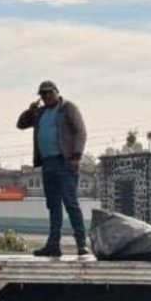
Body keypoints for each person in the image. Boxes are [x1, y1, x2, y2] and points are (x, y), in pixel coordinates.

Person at [17, 80, 89, 257]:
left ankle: (81, 243)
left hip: (65, 162)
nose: (46, 96)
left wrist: (76, 156)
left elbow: (81, 132)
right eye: (42, 94)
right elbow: (20, 124)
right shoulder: (40, 113)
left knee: (71, 203)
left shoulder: (68, 108)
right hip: (47, 164)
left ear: (57, 92)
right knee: (53, 205)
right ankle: (53, 245)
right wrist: (30, 110)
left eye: (49, 92)